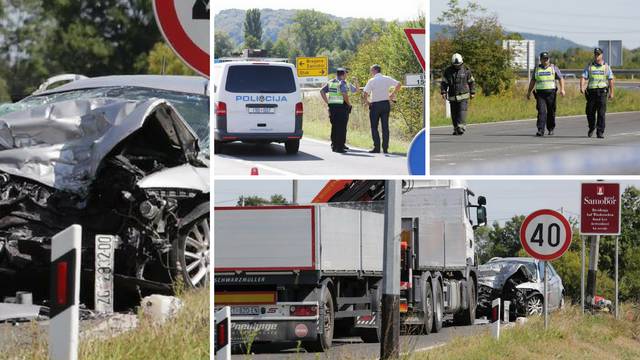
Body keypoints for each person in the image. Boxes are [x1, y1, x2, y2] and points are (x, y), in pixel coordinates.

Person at [362, 64, 401, 153]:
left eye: (371, 70)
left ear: (375, 70)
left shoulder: (372, 80)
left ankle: (377, 147)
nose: (371, 72)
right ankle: (385, 148)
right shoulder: (387, 78)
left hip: (375, 105)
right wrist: (392, 93)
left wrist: (367, 102)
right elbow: (399, 84)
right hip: (385, 104)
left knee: (374, 127)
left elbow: (365, 93)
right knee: (385, 127)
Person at [527, 52, 565, 136]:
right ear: (540, 60)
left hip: (551, 93)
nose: (545, 60)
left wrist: (562, 89)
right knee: (541, 111)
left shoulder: (553, 68)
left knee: (551, 111)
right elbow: (533, 81)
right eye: (544, 59)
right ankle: (540, 130)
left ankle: (551, 128)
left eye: (547, 59)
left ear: (549, 59)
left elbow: (561, 78)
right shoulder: (537, 69)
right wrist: (529, 92)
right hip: (540, 94)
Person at [580, 47, 614, 138]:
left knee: (601, 113)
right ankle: (591, 127)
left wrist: (612, 92)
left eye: (598, 54)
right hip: (591, 92)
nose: (596, 56)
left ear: (602, 55)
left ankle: (600, 132)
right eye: (595, 54)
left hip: (602, 92)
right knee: (589, 112)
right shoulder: (590, 66)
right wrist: (582, 87)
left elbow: (610, 79)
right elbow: (583, 77)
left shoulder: (606, 67)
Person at [440, 53, 476, 135]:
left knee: (462, 111)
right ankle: (456, 128)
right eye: (455, 65)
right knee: (454, 113)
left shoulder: (466, 70)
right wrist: (443, 92)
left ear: (462, 63)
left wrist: (472, 92)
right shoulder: (448, 71)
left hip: (464, 95)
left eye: (459, 65)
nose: (457, 66)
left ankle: (461, 127)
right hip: (452, 96)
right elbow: (444, 83)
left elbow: (471, 82)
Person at [320, 68, 351, 153]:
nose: (346, 75)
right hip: (341, 107)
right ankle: (340, 147)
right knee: (341, 127)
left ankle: (334, 145)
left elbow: (322, 91)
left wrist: (328, 102)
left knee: (334, 127)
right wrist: (349, 104)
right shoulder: (342, 83)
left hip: (332, 107)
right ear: (342, 74)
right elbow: (344, 94)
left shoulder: (331, 82)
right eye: (345, 74)